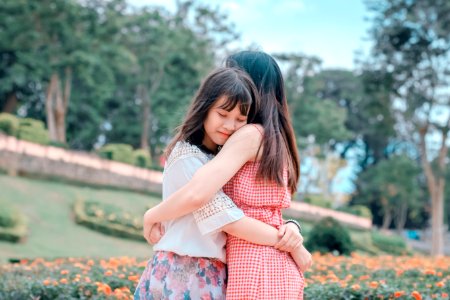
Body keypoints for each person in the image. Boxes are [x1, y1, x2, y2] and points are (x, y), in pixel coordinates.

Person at [142, 51, 311, 299]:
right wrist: (291, 236)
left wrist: (151, 215)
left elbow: (204, 198)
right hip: (259, 263)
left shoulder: (250, 135)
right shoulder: (268, 138)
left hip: (256, 265)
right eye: (222, 113)